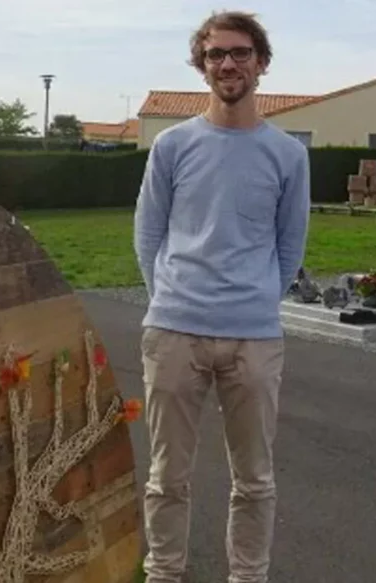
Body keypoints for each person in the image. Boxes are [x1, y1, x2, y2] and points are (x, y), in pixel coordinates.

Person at [132, 10, 311, 583]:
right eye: (215, 55)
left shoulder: (288, 155)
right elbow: (148, 233)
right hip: (175, 331)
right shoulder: (172, 146)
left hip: (254, 338)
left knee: (255, 479)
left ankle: (248, 576)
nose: (227, 64)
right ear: (201, 65)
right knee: (167, 476)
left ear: (260, 63)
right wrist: (171, 299)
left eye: (239, 53)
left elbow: (290, 245)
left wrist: (256, 300)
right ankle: (164, 572)